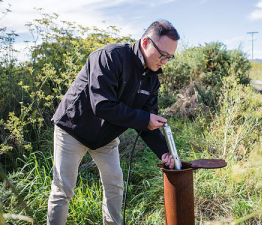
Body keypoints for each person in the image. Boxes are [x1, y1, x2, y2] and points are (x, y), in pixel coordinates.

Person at [47, 20, 180, 225]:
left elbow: (148, 122)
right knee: (63, 190)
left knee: (115, 185)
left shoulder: (152, 79)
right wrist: (144, 119)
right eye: (163, 54)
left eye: (170, 57)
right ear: (145, 42)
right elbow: (102, 105)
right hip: (73, 129)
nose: (165, 62)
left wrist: (164, 152)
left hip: (106, 136)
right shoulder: (109, 57)